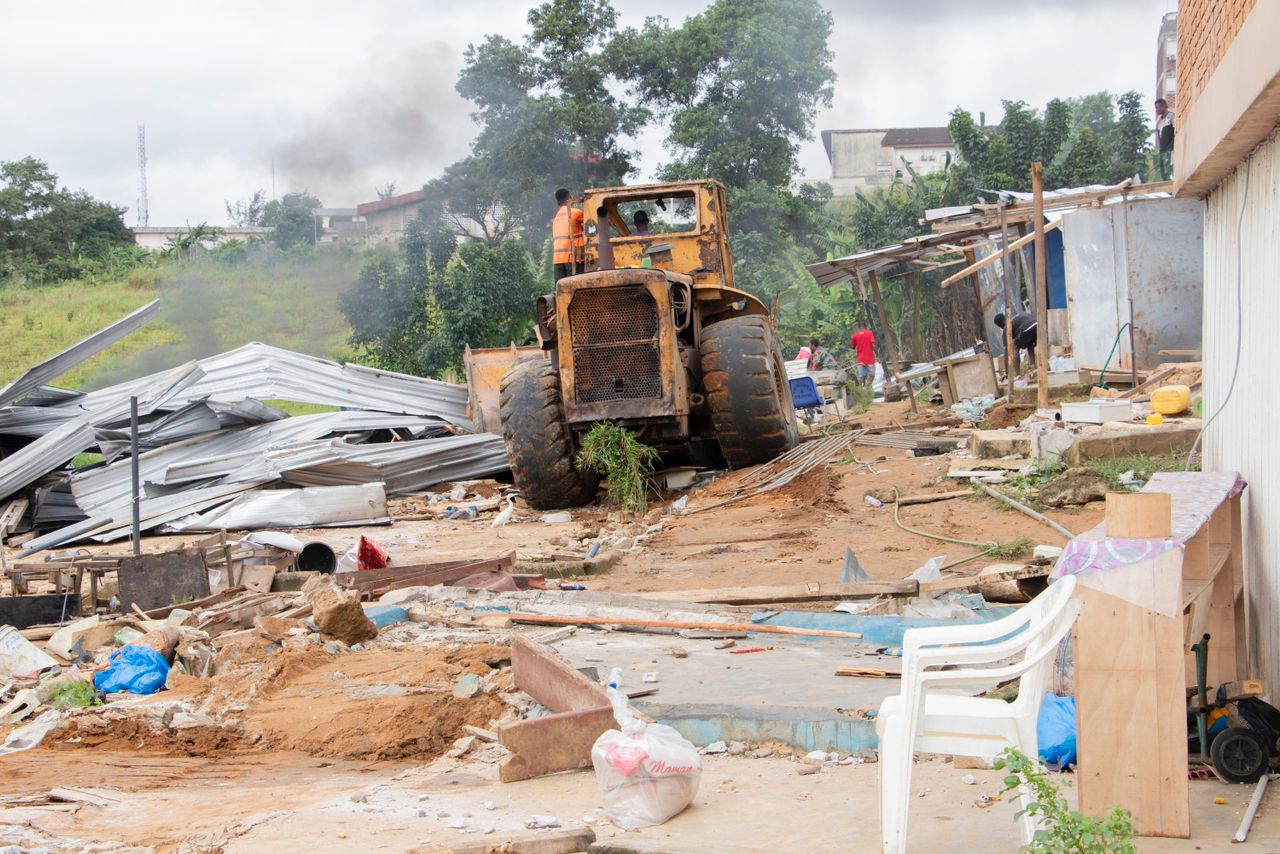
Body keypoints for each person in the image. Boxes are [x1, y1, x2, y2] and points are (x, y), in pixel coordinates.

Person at [551, 188, 584, 282]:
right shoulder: (575, 212)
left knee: (562, 292)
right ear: (569, 198)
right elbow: (592, 223)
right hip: (573, 258)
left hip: (558, 260)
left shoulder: (556, 218)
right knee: (576, 290)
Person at [1154, 98, 1175, 181]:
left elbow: (1175, 131)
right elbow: (1159, 136)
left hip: (1169, 149)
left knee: (1168, 169)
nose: (1156, 110)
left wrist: (1171, 146)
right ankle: (1167, 189)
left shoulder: (1171, 117)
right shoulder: (1159, 121)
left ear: (1163, 107)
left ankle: (1171, 188)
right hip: (1162, 150)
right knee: (1162, 171)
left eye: (1157, 107)